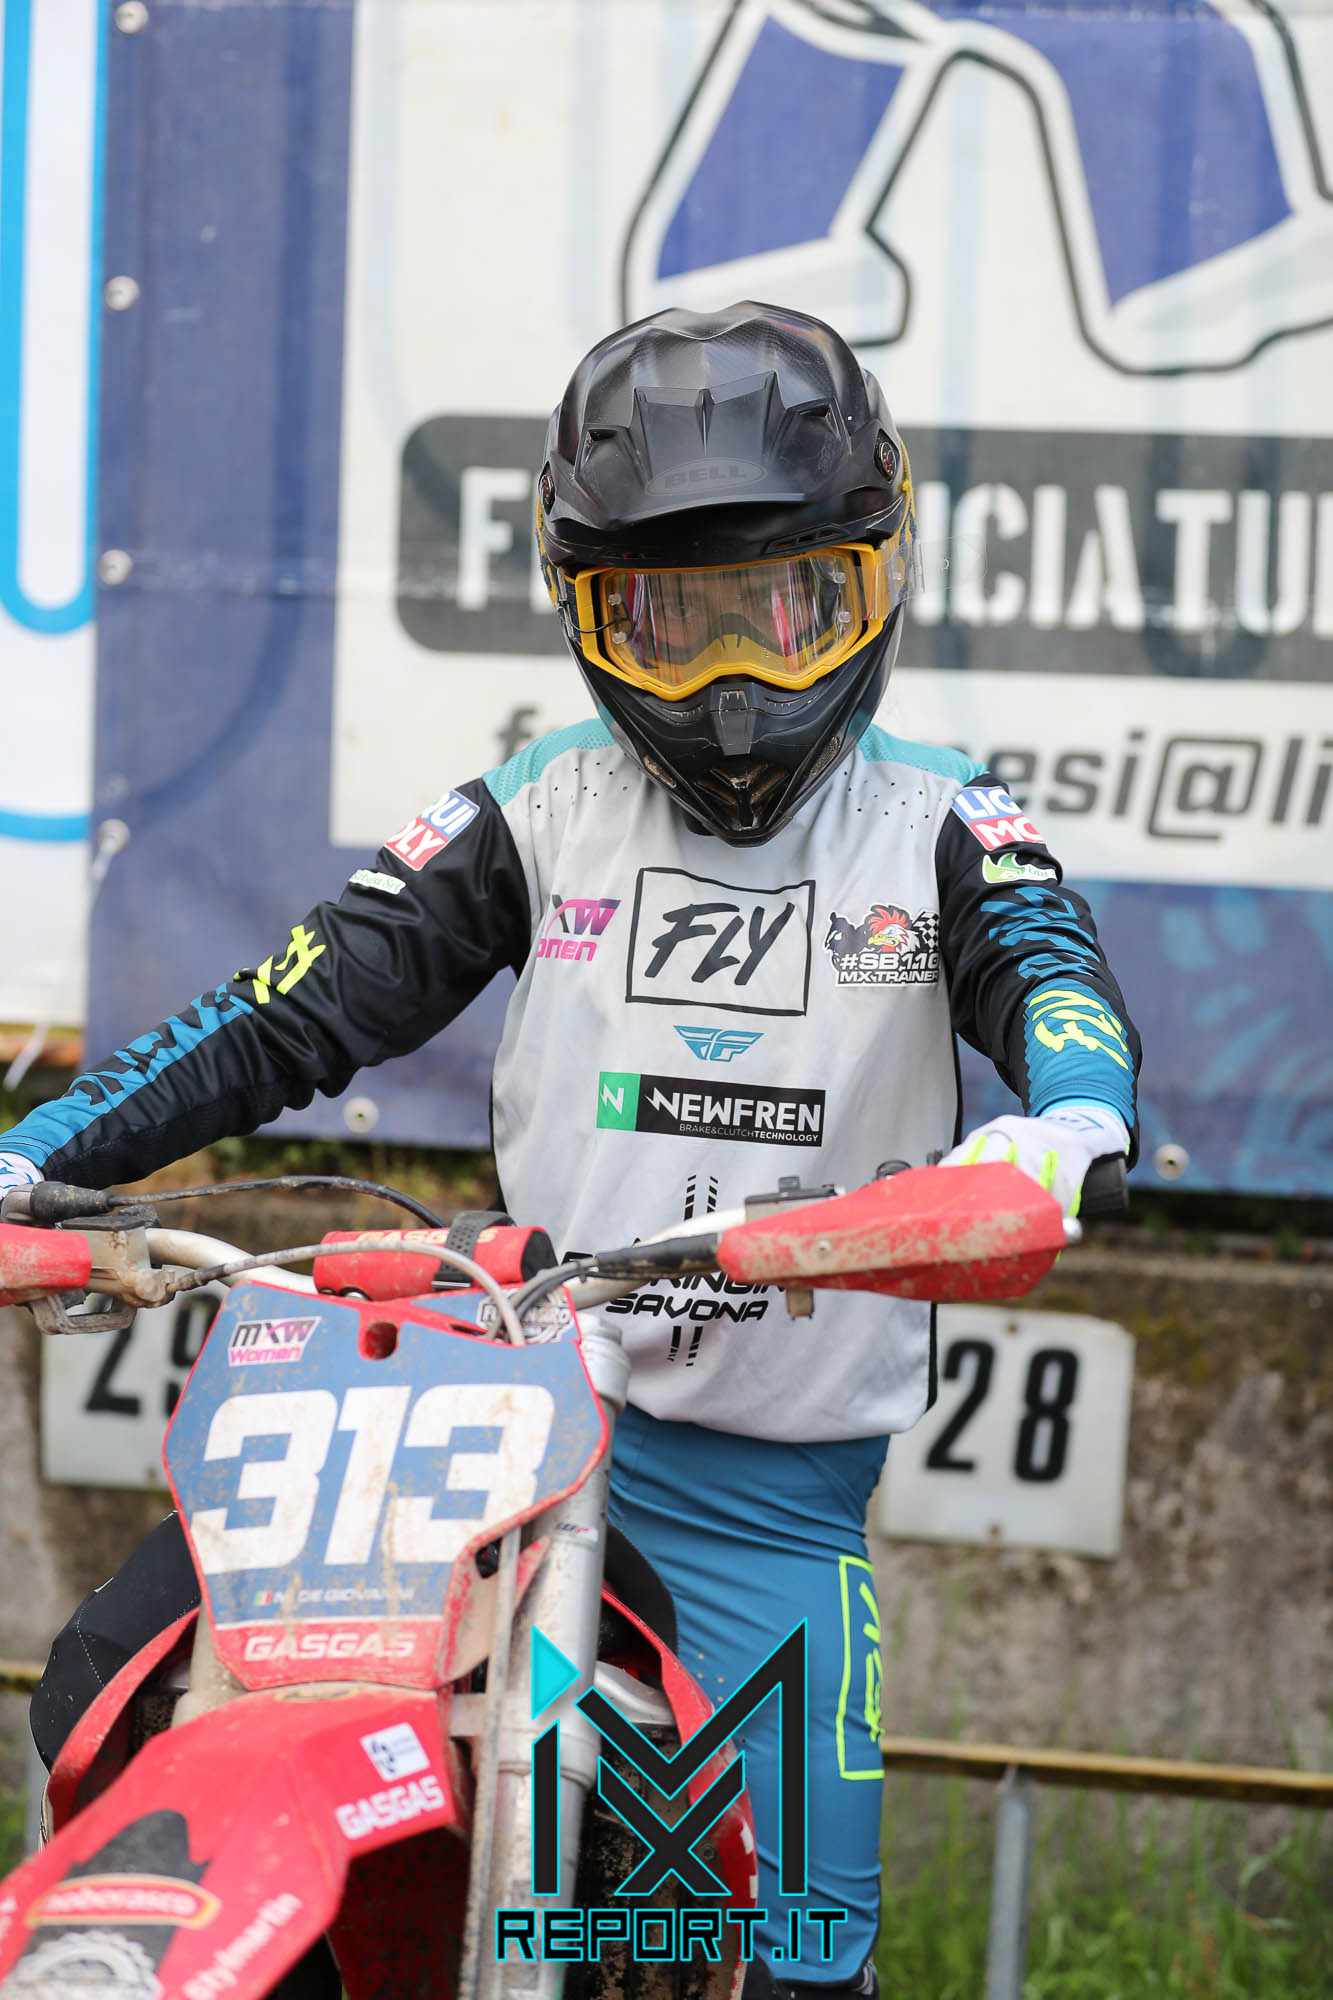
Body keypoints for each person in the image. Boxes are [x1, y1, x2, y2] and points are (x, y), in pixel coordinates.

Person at [1, 303, 1138, 1996]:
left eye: (790, 605)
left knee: (787, 1950)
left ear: (878, 579)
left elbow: (1053, 979)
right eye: (668, 622)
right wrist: (35, 1151)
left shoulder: (941, 821)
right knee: (107, 1689)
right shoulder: (538, 805)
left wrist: (1069, 1122)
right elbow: (284, 1012)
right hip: (498, 1416)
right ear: (583, 610)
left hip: (760, 1495)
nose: (736, 681)